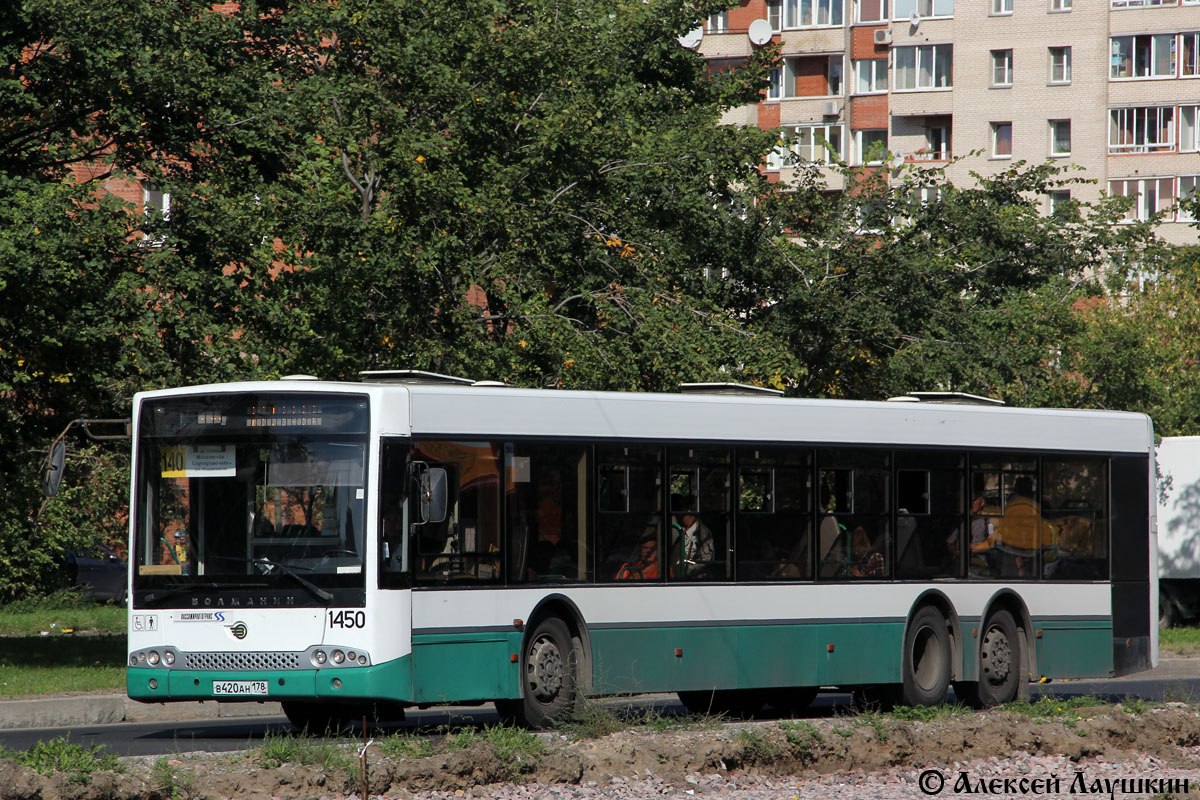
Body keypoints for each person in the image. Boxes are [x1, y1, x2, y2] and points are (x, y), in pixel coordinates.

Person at [670, 495, 713, 576]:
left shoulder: (703, 533)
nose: (680, 516)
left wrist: (685, 570)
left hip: (696, 580)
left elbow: (706, 559)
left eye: (683, 512)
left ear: (691, 512)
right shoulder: (679, 530)